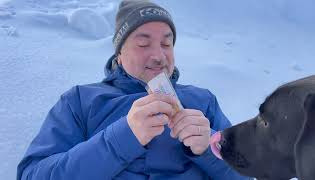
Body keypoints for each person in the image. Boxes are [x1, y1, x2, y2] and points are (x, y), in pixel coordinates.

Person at [17, 0, 252, 179]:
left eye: (166, 44)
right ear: (119, 53)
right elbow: (33, 175)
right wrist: (122, 138)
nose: (159, 56)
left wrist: (209, 148)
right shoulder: (80, 100)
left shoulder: (202, 101)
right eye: (143, 43)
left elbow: (246, 174)